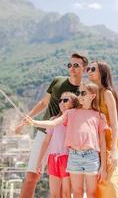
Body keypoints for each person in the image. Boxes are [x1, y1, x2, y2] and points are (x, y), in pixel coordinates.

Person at [15, 53, 88, 198]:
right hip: (44, 133)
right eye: (70, 65)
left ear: (84, 69)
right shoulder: (57, 81)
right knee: (32, 176)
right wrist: (25, 120)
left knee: (61, 183)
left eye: (76, 65)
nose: (72, 68)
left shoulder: (83, 91)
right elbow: (43, 103)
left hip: (65, 140)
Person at [24, 83, 107, 198]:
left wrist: (104, 166)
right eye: (78, 93)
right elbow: (53, 123)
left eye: (83, 93)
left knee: (91, 193)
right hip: (74, 156)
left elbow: (103, 143)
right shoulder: (70, 113)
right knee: (77, 192)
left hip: (91, 156)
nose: (80, 95)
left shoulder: (99, 116)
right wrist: (34, 122)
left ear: (93, 96)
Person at [87, 61, 118, 198]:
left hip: (110, 142)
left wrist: (114, 150)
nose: (89, 71)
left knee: (110, 182)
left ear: (102, 72)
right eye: (88, 69)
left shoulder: (107, 93)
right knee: (98, 184)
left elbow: (115, 124)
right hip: (94, 144)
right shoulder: (88, 94)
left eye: (93, 69)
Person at [35, 92, 79, 198]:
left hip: (68, 158)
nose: (61, 103)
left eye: (65, 100)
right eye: (60, 100)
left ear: (73, 103)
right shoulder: (53, 120)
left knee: (66, 194)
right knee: (54, 194)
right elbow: (46, 142)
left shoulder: (74, 119)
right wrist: (40, 161)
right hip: (53, 158)